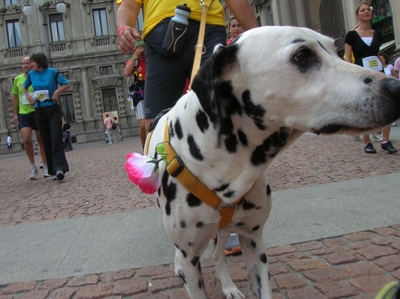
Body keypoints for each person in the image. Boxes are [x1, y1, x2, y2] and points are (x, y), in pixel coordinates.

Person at [116, 0, 258, 134]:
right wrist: (123, 28)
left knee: (220, 112)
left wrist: (258, 36)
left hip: (208, 27)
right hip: (159, 36)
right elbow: (128, 6)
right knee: (155, 127)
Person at [344, 2, 397, 154]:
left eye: (368, 9)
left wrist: (382, 66)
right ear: (357, 15)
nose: (366, 12)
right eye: (363, 10)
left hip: (377, 71)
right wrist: (352, 74)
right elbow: (348, 57)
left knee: (387, 102)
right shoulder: (351, 35)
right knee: (364, 107)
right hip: (362, 74)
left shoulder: (377, 33)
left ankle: (386, 140)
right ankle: (367, 142)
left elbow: (377, 53)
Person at [23, 52, 71, 181]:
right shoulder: (32, 74)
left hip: (53, 109)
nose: (30, 64)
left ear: (39, 62)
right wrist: (29, 97)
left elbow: (66, 83)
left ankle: (60, 168)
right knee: (46, 141)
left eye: (32, 61)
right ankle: (52, 170)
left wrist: (56, 92)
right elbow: (24, 87)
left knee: (56, 138)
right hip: (39, 110)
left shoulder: (52, 72)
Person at [12, 56, 49, 179]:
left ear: (32, 64)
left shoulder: (37, 76)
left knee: (41, 140)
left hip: (38, 111)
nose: (25, 65)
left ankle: (45, 165)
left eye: (27, 63)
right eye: (23, 64)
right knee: (26, 140)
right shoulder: (17, 79)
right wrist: (15, 113)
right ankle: (33, 166)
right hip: (24, 113)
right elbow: (15, 97)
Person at [124, 46, 146, 148]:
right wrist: (135, 56)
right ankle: (144, 148)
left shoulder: (151, 59)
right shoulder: (134, 61)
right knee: (142, 124)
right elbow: (127, 73)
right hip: (140, 95)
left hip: (153, 93)